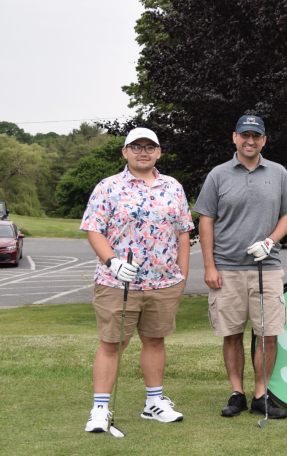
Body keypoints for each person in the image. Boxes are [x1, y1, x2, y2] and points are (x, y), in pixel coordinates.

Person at [82, 127, 193, 432]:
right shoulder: (108, 187)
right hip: (117, 282)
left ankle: (153, 403)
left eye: (149, 147)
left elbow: (183, 231)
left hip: (163, 282)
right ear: (125, 152)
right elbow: (94, 229)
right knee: (112, 343)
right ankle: (100, 409)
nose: (142, 152)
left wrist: (181, 276)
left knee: (155, 341)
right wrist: (112, 261)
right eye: (136, 147)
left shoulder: (173, 187)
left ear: (158, 152)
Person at [195, 115, 287, 419]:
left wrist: (269, 242)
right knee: (231, 334)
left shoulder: (278, 173)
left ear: (264, 140)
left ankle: (260, 395)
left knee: (268, 334)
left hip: (266, 268)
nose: (250, 141)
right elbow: (206, 221)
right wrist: (209, 267)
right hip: (226, 268)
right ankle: (237, 393)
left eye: (256, 136)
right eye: (245, 136)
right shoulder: (218, 175)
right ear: (235, 138)